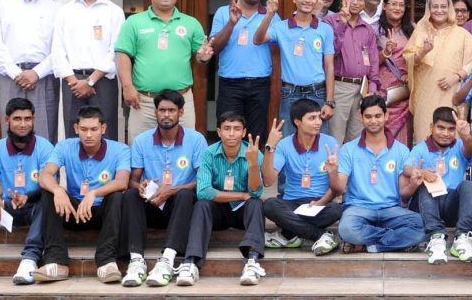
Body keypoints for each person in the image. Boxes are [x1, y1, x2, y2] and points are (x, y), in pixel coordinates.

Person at [120, 90, 206, 287]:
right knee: (131, 195)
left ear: (181, 112)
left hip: (181, 209)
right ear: (156, 113)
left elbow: (203, 181)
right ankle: (136, 260)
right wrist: (140, 186)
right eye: (162, 110)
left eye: (171, 110)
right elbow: (132, 180)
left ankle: (167, 260)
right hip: (152, 203)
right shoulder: (142, 140)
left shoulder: (196, 139)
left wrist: (172, 190)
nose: (166, 114)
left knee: (185, 194)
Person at [115, 0, 214, 141]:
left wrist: (204, 57)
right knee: (139, 151)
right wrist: (127, 86)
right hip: (144, 102)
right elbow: (122, 53)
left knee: (185, 149)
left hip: (181, 101)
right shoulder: (134, 22)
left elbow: (200, 56)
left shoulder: (191, 23)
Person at [34, 106, 129, 283]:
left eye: (94, 129)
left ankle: (107, 261)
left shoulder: (120, 149)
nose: (89, 135)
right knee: (48, 193)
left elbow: (122, 181)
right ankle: (56, 261)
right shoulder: (65, 146)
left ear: (103, 129)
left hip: (103, 213)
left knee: (117, 196)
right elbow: (45, 175)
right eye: (84, 129)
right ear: (76, 129)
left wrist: (94, 193)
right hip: (74, 212)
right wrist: (57, 190)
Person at [175, 112, 271, 286]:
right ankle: (191, 262)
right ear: (219, 132)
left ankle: (253, 260)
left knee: (256, 203)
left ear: (244, 132)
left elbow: (255, 193)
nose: (231, 134)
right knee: (202, 204)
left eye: (236, 129)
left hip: (244, 212)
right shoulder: (208, 154)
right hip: (218, 212)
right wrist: (241, 195)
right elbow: (203, 191)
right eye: (227, 129)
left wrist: (252, 163)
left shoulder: (254, 153)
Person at [328, 95, 425, 253]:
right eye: (368, 116)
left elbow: (403, 194)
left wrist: (413, 185)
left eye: (378, 116)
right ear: (361, 118)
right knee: (347, 229)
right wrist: (332, 173)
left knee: (419, 225)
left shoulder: (400, 150)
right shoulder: (348, 149)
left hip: (390, 209)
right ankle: (393, 240)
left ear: (386, 116)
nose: (373, 121)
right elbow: (338, 189)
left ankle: (368, 245)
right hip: (358, 209)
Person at [51, 0, 125, 141]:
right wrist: (74, 81)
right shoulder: (65, 11)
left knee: (105, 132)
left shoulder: (114, 12)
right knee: (73, 131)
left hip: (103, 82)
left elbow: (115, 50)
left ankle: (107, 170)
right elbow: (57, 49)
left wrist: (90, 81)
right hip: (72, 82)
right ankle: (74, 170)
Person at [254, 0, 335, 141]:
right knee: (287, 140)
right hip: (290, 93)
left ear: (317, 0)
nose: (307, 0)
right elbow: (258, 39)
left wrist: (330, 102)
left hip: (317, 93)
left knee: (318, 139)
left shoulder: (325, 29)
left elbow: (329, 66)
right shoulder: (281, 27)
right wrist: (270, 13)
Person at [262, 99, 342, 255]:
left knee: (336, 210)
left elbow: (337, 189)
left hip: (320, 202)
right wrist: (269, 147)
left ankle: (289, 235)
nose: (318, 122)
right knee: (269, 205)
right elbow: (268, 180)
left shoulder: (330, 143)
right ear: (297, 121)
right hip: (292, 203)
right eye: (312, 118)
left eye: (319, 117)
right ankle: (320, 235)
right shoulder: (284, 145)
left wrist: (320, 202)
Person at [208, 0, 278, 141]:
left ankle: (253, 170)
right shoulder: (223, 12)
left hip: (259, 85)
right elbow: (213, 48)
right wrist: (232, 23)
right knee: (229, 137)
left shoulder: (272, 16)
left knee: (256, 138)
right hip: (230, 85)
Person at [0, 0, 60, 143]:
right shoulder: (1, 6)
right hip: (10, 76)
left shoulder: (56, 9)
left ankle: (46, 173)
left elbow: (60, 48)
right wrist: (17, 74)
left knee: (44, 134)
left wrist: (36, 73)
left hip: (44, 77)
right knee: (12, 132)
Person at [403, 0, 472, 142]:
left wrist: (457, 75)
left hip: (451, 95)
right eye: (435, 6)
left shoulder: (461, 33)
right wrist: (423, 51)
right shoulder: (420, 31)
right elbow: (409, 58)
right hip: (425, 96)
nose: (439, 10)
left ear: (449, 8)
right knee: (425, 135)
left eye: (443, 6)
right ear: (429, 9)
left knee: (450, 135)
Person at [407, 107, 472, 264]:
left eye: (451, 129)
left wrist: (466, 136)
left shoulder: (459, 145)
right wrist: (420, 171)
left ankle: (463, 239)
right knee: (424, 185)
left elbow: (471, 150)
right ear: (431, 127)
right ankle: (436, 238)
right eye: (441, 128)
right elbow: (406, 167)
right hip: (426, 206)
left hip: (451, 205)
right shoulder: (421, 148)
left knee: (468, 185)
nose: (446, 133)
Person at [0, 98, 54, 284]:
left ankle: (29, 259)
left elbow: (48, 181)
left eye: (27, 118)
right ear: (7, 121)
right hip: (8, 206)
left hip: (35, 206)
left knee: (50, 196)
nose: (23, 124)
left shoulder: (44, 146)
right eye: (17, 119)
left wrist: (27, 197)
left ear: (33, 120)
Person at [324, 0, 381, 143]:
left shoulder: (367, 29)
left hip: (362, 90)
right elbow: (330, 52)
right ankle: (334, 169)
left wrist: (372, 87)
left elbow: (373, 61)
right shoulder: (330, 22)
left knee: (356, 139)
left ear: (365, 3)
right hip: (339, 87)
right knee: (335, 138)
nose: (355, 3)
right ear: (343, 0)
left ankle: (350, 169)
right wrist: (342, 24)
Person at [376, 0, 414, 144]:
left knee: (402, 139)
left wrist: (410, 76)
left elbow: (419, 61)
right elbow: (370, 63)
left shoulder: (412, 30)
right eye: (394, 4)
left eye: (401, 5)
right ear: (384, 6)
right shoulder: (375, 30)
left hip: (404, 92)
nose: (398, 8)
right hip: (382, 91)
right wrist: (386, 52)